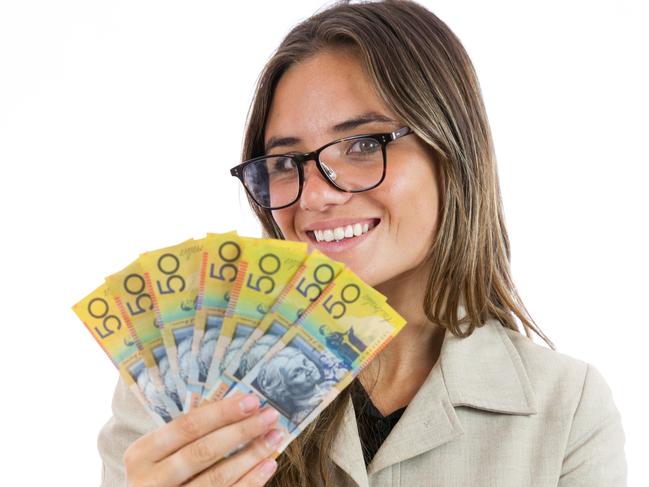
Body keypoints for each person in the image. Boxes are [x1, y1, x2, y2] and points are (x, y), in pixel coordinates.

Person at [99, 1, 627, 485]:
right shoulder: (178, 391)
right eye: (286, 161)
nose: (319, 196)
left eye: (362, 144)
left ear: (453, 151)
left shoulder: (567, 409)